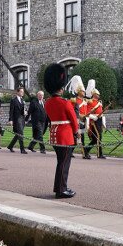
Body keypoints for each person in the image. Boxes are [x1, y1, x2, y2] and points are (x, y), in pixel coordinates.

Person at [43, 63, 78, 198]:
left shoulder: (48, 103)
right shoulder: (65, 103)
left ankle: (59, 187)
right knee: (64, 164)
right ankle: (61, 189)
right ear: (61, 88)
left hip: (55, 135)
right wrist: (76, 132)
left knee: (61, 163)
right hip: (65, 136)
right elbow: (74, 120)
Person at [67, 75, 88, 157]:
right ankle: (82, 153)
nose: (84, 92)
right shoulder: (74, 100)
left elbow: (86, 111)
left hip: (83, 121)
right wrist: (79, 116)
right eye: (83, 91)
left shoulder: (85, 101)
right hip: (76, 120)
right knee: (77, 137)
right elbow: (71, 111)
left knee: (81, 137)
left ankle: (83, 153)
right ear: (79, 92)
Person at [84, 80, 106, 159]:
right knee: (98, 137)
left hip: (99, 120)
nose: (99, 95)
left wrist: (103, 122)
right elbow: (88, 113)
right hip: (94, 121)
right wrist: (95, 117)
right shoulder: (90, 102)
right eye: (97, 94)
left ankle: (87, 149)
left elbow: (101, 112)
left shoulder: (99, 103)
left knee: (97, 138)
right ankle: (99, 153)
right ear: (94, 94)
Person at [7, 86, 27, 154]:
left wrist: (25, 112)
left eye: (23, 92)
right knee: (21, 133)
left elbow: (24, 109)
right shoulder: (13, 100)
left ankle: (10, 146)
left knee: (18, 134)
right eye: (21, 92)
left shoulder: (23, 100)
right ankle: (22, 149)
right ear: (17, 92)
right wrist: (10, 120)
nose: (22, 93)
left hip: (22, 119)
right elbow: (11, 111)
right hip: (17, 119)